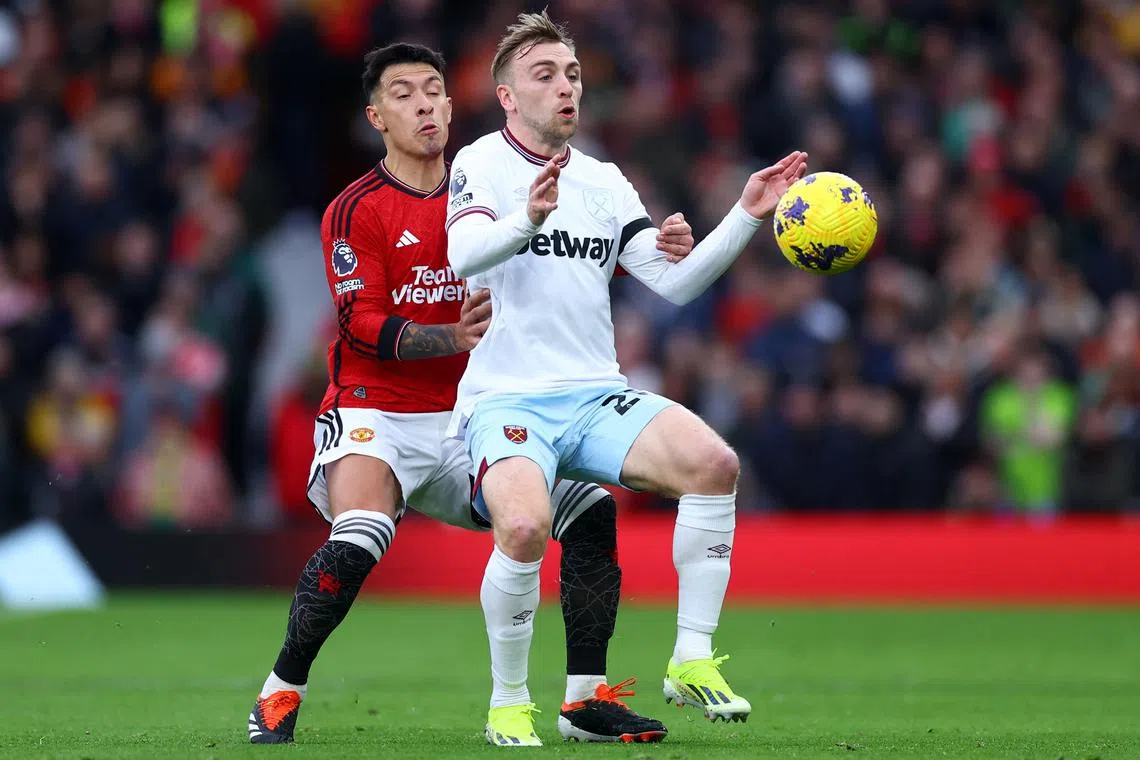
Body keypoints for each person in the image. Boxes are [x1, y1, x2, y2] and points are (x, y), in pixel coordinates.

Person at [248, 43, 695, 745]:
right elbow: (358, 323)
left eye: (434, 90)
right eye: (404, 94)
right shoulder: (356, 208)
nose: (424, 103)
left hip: (475, 417)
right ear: (376, 116)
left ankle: (585, 701)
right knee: (360, 537)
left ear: (453, 108)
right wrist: (447, 339)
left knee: (590, 512)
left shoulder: (495, 189)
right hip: (378, 410)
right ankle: (280, 692)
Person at [446, 12, 808, 744]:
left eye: (572, 74)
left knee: (715, 463)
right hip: (508, 396)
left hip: (592, 391)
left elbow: (672, 286)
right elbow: (462, 257)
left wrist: (742, 215)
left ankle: (691, 659)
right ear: (508, 95)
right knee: (522, 527)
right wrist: (526, 217)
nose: (565, 87)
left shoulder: (606, 181)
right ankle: (508, 703)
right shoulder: (480, 163)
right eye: (544, 76)